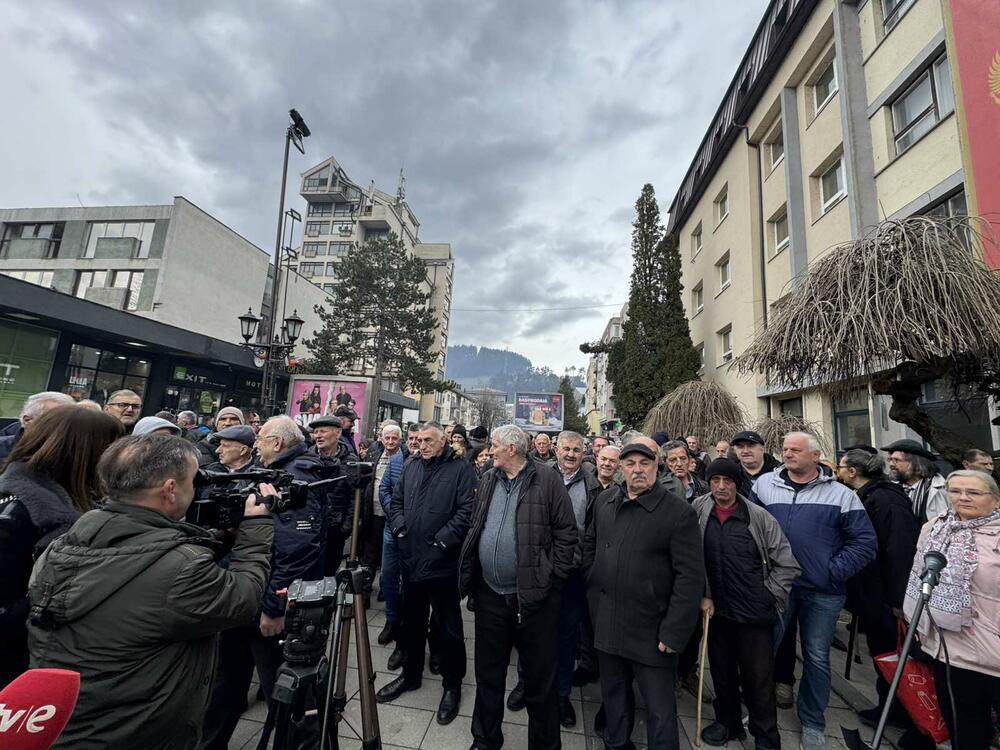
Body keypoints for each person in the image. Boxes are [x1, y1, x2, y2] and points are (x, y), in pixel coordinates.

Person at [27, 434, 273, 749]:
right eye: (194, 481)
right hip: (138, 731)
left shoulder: (65, 543)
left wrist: (219, 537)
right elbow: (243, 598)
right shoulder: (181, 569)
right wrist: (257, 530)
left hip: (64, 718)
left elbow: (147, 562)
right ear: (170, 490)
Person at [202, 416, 326, 749]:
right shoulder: (270, 471)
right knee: (227, 681)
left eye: (261, 439)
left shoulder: (294, 477)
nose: (256, 445)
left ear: (278, 443)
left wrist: (274, 606)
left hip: (265, 603)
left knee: (281, 689)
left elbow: (296, 550)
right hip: (246, 594)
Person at [754, 433, 877, 750]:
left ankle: (812, 721)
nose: (788, 454)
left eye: (796, 450)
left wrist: (832, 571)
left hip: (823, 591)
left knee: (817, 656)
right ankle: (757, 712)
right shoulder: (765, 485)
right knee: (764, 651)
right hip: (777, 587)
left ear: (815, 456)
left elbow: (864, 543)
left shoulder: (841, 495)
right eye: (785, 449)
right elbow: (747, 528)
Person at [459, 424, 578, 750]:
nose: (490, 450)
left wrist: (551, 579)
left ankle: (544, 745)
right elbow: (476, 524)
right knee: (488, 675)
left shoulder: (547, 480)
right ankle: (485, 740)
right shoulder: (488, 478)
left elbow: (567, 533)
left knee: (540, 680)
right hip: (490, 595)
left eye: (495, 445)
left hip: (534, 599)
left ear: (512, 448)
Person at [584, 437, 705, 750]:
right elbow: (590, 545)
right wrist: (593, 589)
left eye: (644, 463)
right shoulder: (605, 501)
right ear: (621, 468)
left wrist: (674, 631)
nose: (637, 470)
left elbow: (690, 579)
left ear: (656, 466)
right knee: (614, 697)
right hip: (608, 620)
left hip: (652, 630)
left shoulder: (678, 512)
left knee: (659, 710)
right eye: (630, 463)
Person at [0, 406, 123, 687]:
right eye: (112, 447)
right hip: (17, 661)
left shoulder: (81, 497)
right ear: (84, 449)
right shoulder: (18, 511)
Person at [692, 458, 800, 749]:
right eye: (715, 481)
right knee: (721, 671)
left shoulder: (758, 517)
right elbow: (692, 555)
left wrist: (769, 597)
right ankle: (727, 722)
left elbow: (787, 564)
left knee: (758, 680)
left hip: (754, 612)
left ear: (737, 483)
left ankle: (766, 737)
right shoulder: (700, 509)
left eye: (727, 481)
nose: (721, 487)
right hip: (716, 609)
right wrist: (703, 594)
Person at [380, 421, 475, 725]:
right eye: (419, 440)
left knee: (449, 629)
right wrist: (400, 529)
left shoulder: (460, 469)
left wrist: (441, 542)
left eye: (429, 440)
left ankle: (452, 686)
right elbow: (396, 501)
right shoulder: (411, 466)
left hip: (442, 563)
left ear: (444, 440)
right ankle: (410, 676)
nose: (422, 445)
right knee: (412, 624)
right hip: (411, 560)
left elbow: (467, 511)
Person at [506, 430, 599, 726]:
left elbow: (592, 532)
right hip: (537, 570)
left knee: (566, 637)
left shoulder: (592, 484)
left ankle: (561, 694)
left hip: (571, 574)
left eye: (577, 450)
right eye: (566, 448)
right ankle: (526, 683)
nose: (571, 454)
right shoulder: (537, 475)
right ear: (556, 449)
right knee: (530, 631)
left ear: (584, 453)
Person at [902, 469, 1000, 750]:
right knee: (965, 729)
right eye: (955, 491)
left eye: (974, 492)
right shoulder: (935, 527)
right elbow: (917, 575)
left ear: (996, 499)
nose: (963, 498)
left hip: (994, 649)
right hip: (951, 649)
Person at [836, 449, 926, 743]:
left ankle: (907, 712)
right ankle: (891, 705)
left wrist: (898, 599)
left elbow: (899, 550)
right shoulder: (869, 495)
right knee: (883, 653)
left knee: (894, 653)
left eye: (841, 467)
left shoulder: (885, 499)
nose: (838, 471)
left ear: (853, 472)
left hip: (886, 596)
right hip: (873, 592)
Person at [377, 424, 420, 659]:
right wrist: (395, 516)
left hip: (415, 532)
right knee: (388, 576)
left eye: (417, 438)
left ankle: (407, 628)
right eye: (411, 438)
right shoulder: (395, 461)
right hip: (391, 527)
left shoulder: (427, 464)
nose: (414, 442)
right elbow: (384, 490)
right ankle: (391, 619)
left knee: (411, 583)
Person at [310, 415, 354, 575]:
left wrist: (345, 527)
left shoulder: (350, 461)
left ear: (338, 433)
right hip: (310, 528)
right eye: (316, 432)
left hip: (335, 529)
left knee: (328, 572)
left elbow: (354, 497)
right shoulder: (307, 458)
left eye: (323, 431)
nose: (318, 436)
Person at [363, 423, 403, 580]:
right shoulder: (374, 455)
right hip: (372, 512)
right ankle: (366, 586)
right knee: (370, 553)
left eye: (394, 438)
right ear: (381, 439)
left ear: (400, 440)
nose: (390, 441)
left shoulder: (405, 458)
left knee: (389, 557)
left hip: (393, 515)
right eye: (387, 438)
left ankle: (385, 586)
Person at [882, 438, 949, 522]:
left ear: (915, 462)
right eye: (890, 460)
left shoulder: (942, 489)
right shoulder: (890, 488)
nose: (891, 464)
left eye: (896, 460)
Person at [0, 391, 75, 463]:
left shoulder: (73, 454)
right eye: (56, 421)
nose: (65, 428)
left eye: (70, 422)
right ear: (27, 420)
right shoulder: (3, 448)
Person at [731, 430, 780, 498]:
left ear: (762, 448)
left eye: (751, 446)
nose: (745, 451)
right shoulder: (731, 475)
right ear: (735, 451)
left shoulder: (781, 473)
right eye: (740, 446)